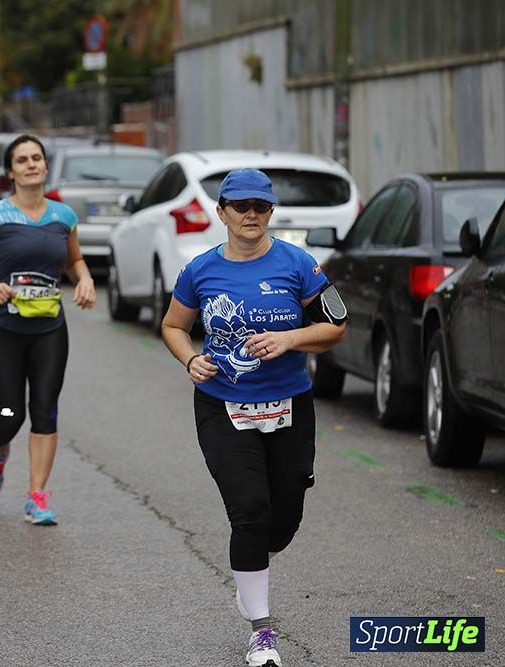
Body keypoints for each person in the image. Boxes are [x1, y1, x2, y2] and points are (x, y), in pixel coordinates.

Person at [160, 168, 347, 667]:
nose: (250, 215)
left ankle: (252, 568)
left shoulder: (300, 265)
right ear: (220, 213)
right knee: (250, 513)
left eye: (260, 207)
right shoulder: (200, 270)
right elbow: (174, 325)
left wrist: (290, 339)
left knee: (281, 522)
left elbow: (336, 327)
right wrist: (189, 358)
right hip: (224, 406)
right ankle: (262, 631)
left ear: (270, 214)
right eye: (240, 206)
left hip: (289, 405)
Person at [0, 134, 96, 526]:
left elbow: (75, 261)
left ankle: (37, 495)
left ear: (46, 167)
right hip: (2, 327)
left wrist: (84, 279)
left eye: (37, 158)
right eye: (23, 160)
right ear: (11, 172)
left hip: (49, 327)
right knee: (10, 412)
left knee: (45, 409)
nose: (31, 164)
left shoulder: (63, 216)